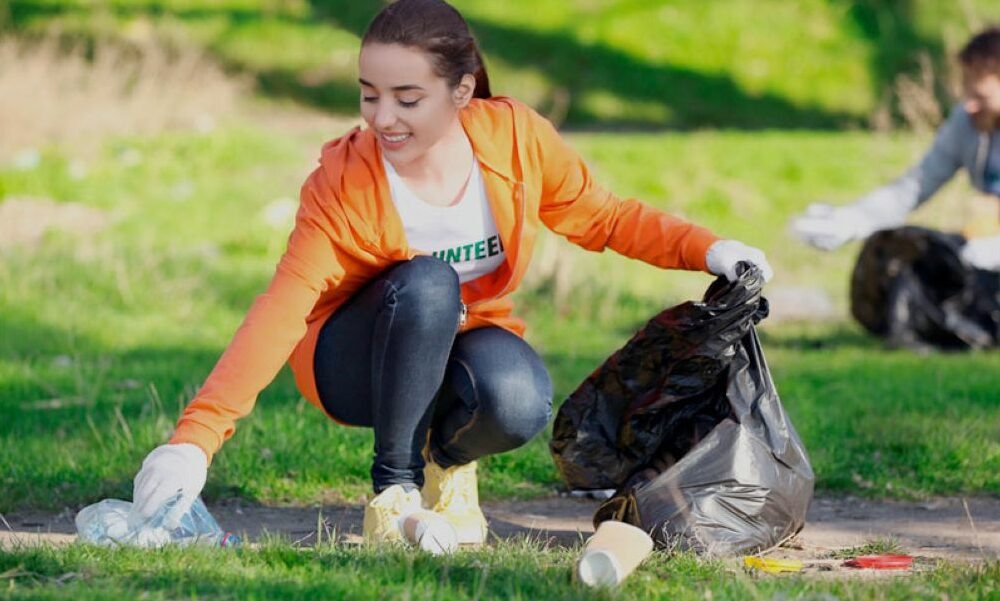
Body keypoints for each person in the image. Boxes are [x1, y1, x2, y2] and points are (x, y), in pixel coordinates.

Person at [127, 0, 773, 548]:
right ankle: (394, 491)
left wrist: (709, 249)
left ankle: (447, 463)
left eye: (408, 98)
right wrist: (195, 439)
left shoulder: (515, 139)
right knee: (429, 281)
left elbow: (601, 216)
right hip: (351, 361)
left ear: (461, 92)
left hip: (455, 345)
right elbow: (283, 308)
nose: (382, 118)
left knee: (519, 397)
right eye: (369, 95)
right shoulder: (345, 182)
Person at [792, 26, 1000, 271]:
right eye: (965, 91)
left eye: (980, 96)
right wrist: (854, 219)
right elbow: (914, 186)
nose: (969, 105)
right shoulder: (966, 124)